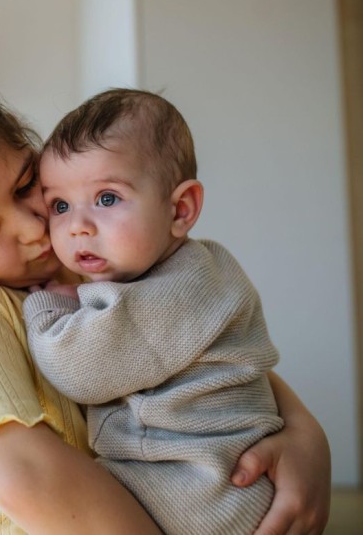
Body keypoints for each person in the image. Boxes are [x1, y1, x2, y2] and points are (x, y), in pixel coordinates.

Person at [0, 57, 330, 533]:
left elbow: (213, 356)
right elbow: (27, 474)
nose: (33, 229)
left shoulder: (86, 259)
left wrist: (307, 439)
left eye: (24, 186)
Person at [23, 89, 283, 534]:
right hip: (214, 479)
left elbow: (76, 370)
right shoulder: (203, 266)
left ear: (180, 209)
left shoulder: (173, 293)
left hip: (200, 491)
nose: (77, 226)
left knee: (62, 497)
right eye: (59, 206)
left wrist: (45, 307)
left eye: (107, 198)